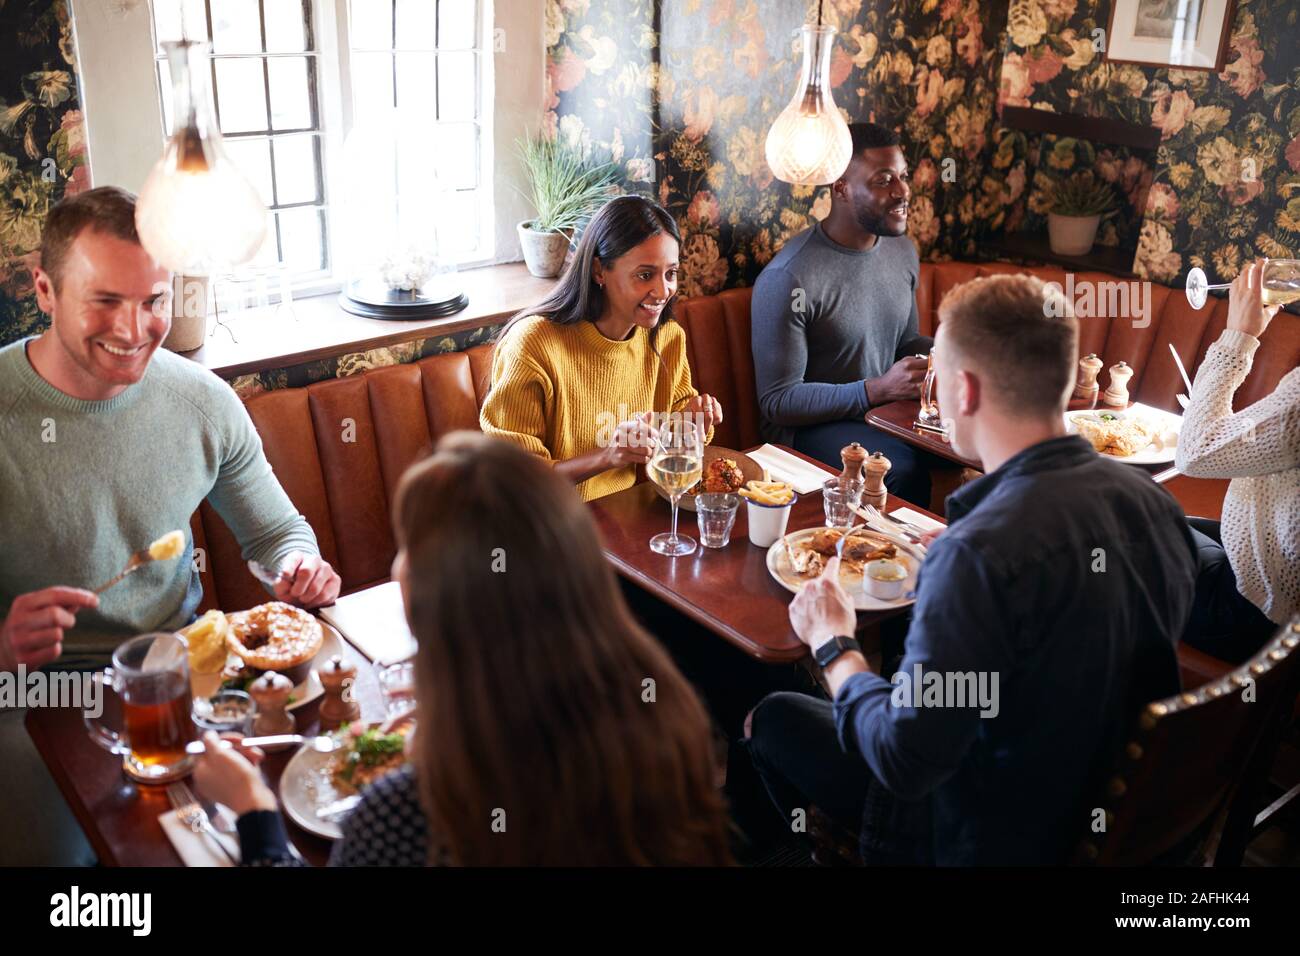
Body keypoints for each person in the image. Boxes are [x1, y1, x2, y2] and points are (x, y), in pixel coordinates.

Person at [744, 274, 1198, 865]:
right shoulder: (1159, 510)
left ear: (964, 389)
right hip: (1113, 819)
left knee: (772, 716)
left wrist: (834, 643)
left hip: (982, 833)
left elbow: (905, 760)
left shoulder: (978, 556)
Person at [195, 431, 735, 866]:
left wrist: (252, 810)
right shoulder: (669, 712)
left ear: (432, 600)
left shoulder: (406, 812)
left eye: (407, 547)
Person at [0, 186, 341, 865]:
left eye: (154, 301)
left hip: (184, 679)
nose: (134, 330)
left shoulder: (202, 402)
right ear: (44, 289)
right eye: (105, 300)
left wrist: (295, 568)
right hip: (31, 695)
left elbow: (277, 535)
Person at [480, 195, 722, 501]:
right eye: (645, 275)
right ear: (599, 271)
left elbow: (665, 442)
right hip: (547, 528)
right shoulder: (533, 345)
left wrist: (691, 423)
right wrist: (608, 456)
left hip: (630, 520)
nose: (664, 291)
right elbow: (515, 480)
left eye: (671, 273)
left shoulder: (667, 338)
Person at [751, 122, 938, 508]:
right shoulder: (789, 277)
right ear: (840, 188)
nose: (903, 191)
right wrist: (876, 389)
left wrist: (958, 350)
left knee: (986, 444)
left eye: (902, 176)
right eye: (884, 179)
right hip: (807, 431)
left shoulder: (901, 250)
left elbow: (904, 344)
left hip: (882, 413)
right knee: (902, 466)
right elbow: (778, 401)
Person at [1176, 258, 1298, 662]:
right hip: (1262, 571)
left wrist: (1238, 335)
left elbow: (1194, 452)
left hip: (1249, 614)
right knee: (1157, 517)